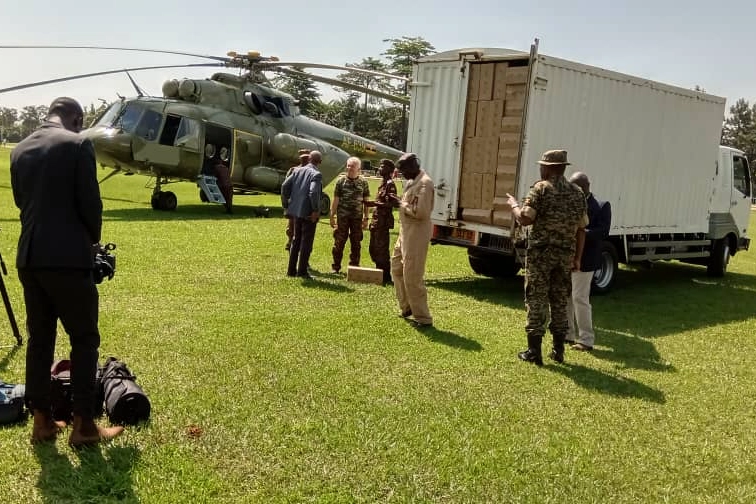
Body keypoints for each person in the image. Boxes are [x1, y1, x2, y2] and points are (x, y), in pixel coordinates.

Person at [10, 97, 124, 446]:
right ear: (76, 119)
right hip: (69, 259)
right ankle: (84, 425)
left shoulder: (20, 149)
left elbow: (20, 201)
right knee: (85, 340)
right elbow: (91, 205)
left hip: (30, 257)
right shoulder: (78, 144)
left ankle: (42, 421)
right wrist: (90, 242)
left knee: (39, 341)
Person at [506, 149, 588, 366]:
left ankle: (534, 352)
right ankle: (558, 351)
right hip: (564, 257)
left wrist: (514, 205)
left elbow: (525, 219)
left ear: (549, 168)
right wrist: (577, 258)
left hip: (541, 256)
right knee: (560, 301)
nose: (540, 168)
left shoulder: (541, 189)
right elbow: (582, 229)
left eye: (542, 165)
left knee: (536, 298)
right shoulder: (578, 193)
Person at [566, 172, 612, 351]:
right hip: (567, 257)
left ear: (586, 187)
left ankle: (586, 339)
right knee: (566, 297)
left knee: (579, 298)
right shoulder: (569, 204)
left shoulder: (601, 206)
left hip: (586, 259)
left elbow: (603, 232)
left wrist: (581, 233)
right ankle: (568, 334)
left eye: (576, 187)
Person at [389, 153, 435, 327]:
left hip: (416, 233)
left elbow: (421, 212)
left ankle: (423, 318)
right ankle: (407, 307)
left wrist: (400, 204)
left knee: (412, 275)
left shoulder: (425, 183)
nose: (403, 175)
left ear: (413, 166)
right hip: (405, 231)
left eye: (404, 171)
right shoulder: (411, 182)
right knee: (396, 267)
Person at [281, 150, 323, 279]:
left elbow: (284, 186)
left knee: (296, 240)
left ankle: (291, 271)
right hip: (308, 213)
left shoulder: (297, 171)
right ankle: (302, 271)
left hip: (295, 211)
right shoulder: (316, 174)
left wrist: (286, 204)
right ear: (320, 162)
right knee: (306, 242)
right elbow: (313, 192)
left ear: (309, 159)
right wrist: (315, 210)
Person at [329, 157, 370, 273]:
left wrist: (366, 218)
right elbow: (336, 200)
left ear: (359, 169)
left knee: (356, 243)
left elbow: (366, 202)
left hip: (357, 218)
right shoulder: (341, 182)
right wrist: (332, 216)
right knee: (339, 242)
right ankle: (335, 267)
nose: (350, 168)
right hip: (342, 218)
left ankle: (354, 267)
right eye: (348, 165)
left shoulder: (363, 182)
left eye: (352, 166)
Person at [366, 159, 399, 284]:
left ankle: (385, 277)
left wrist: (374, 203)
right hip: (376, 221)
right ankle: (378, 274)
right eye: (379, 166)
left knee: (382, 249)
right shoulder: (382, 183)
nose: (380, 168)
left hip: (383, 222)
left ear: (389, 170)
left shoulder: (390, 184)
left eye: (382, 167)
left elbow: (393, 203)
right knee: (373, 249)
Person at [285, 150, 311, 251]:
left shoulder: (296, 170)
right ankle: (291, 242)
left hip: (297, 202)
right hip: (298, 202)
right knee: (293, 225)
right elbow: (286, 186)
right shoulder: (294, 170)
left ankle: (293, 243)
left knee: (295, 225)